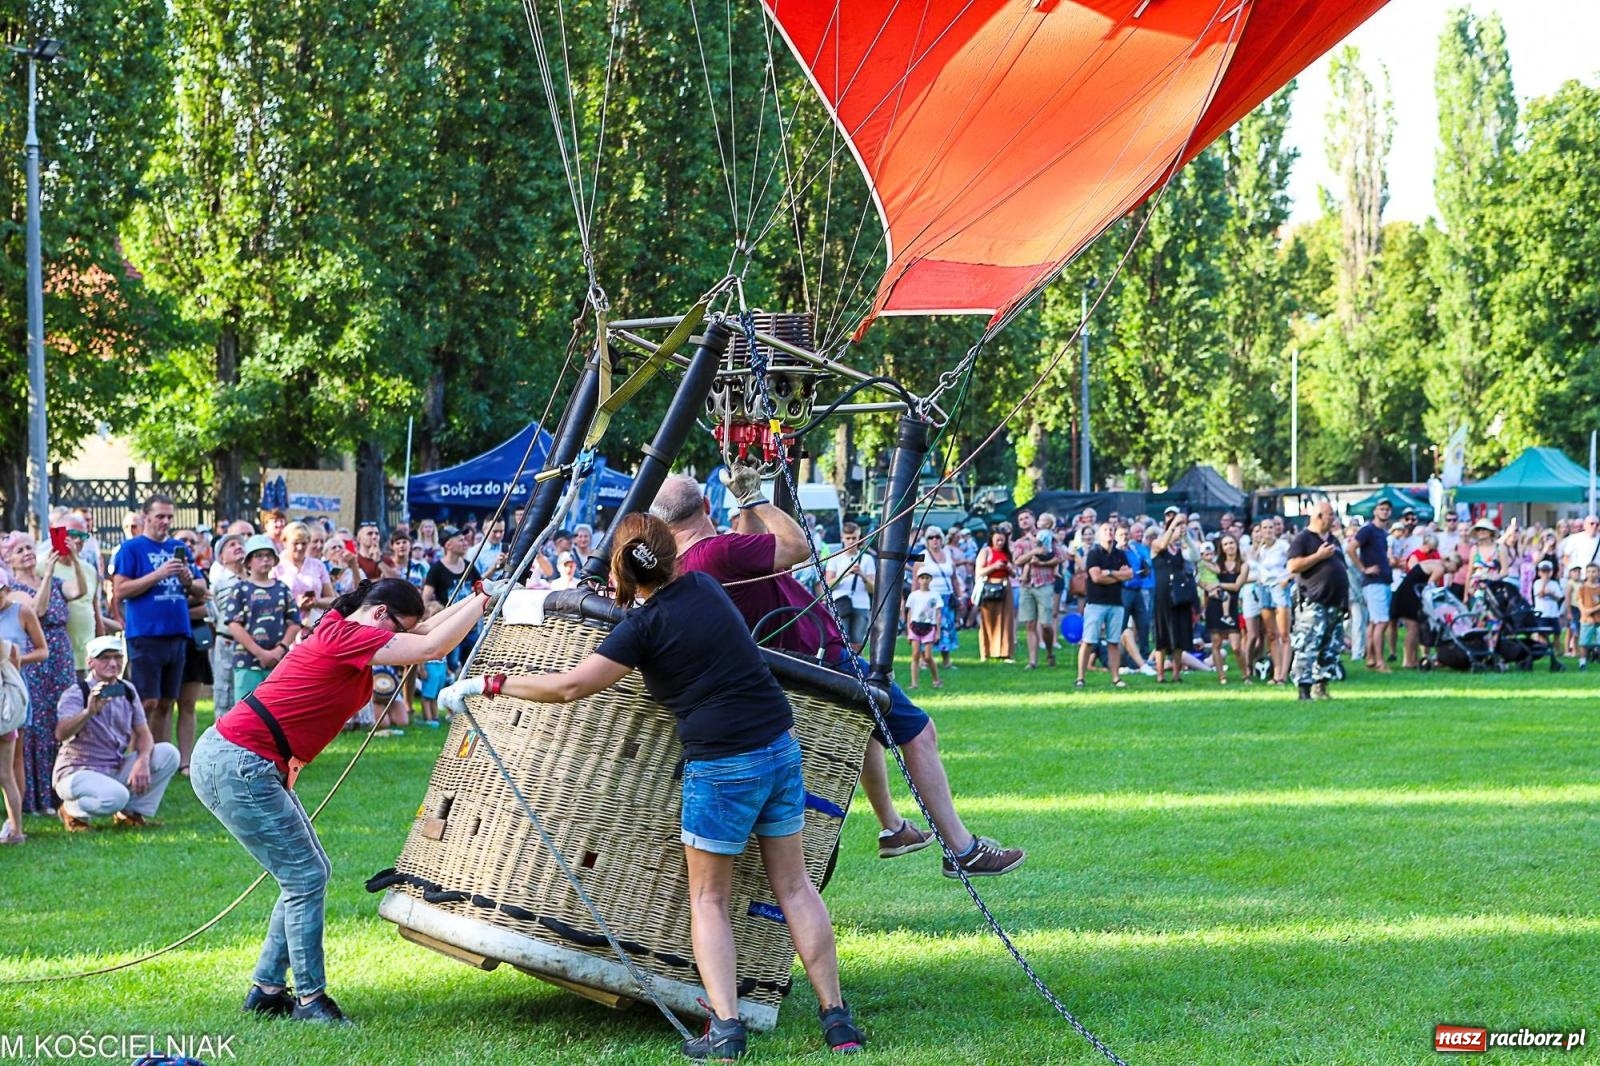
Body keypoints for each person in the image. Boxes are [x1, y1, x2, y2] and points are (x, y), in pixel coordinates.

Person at [438, 516, 865, 1059]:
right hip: (779, 747)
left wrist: (489, 682)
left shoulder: (641, 629)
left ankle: (726, 1030)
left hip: (721, 764)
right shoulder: (704, 586)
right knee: (796, 888)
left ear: (620, 568)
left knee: (709, 898)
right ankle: (837, 1022)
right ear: (671, 555)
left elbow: (570, 686)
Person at [652, 472, 1024, 878]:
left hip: (789, 669)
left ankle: (892, 827)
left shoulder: (687, 566)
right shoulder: (717, 552)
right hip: (820, 658)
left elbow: (753, 552)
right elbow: (797, 547)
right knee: (920, 732)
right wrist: (755, 498)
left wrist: (746, 508)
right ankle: (961, 849)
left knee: (864, 728)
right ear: (707, 506)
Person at [190, 577, 493, 1024]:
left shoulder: (344, 628)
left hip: (243, 760)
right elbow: (433, 647)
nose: (398, 641)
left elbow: (426, 633)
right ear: (379, 614)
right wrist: (485, 600)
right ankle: (309, 1000)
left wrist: (480, 599)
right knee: (304, 876)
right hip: (240, 762)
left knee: (307, 874)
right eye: (397, 630)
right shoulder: (345, 634)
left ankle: (268, 990)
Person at [52, 635, 181, 831]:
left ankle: (130, 813)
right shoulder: (77, 692)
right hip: (77, 771)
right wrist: (88, 712)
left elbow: (143, 733)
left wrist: (142, 761)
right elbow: (61, 734)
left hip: (113, 766)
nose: (113, 663)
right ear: (90, 662)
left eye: (117, 657)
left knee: (168, 753)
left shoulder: (127, 690)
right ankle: (72, 810)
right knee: (117, 797)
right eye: (105, 658)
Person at [111, 495, 196, 756]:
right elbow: (120, 590)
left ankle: (159, 759)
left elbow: (201, 589)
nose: (166, 521)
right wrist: (158, 574)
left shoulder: (178, 547)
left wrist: (188, 580)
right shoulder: (131, 548)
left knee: (166, 702)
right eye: (160, 516)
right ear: (146, 516)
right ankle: (135, 757)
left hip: (177, 632)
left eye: (169, 517)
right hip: (145, 635)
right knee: (146, 701)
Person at [6, 533, 77, 813]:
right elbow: (39, 609)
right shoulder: (12, 590)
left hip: (60, 656)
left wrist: (73, 561)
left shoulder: (57, 581)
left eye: (29, 547)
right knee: (37, 726)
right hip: (34, 663)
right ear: (9, 559)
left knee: (63, 716)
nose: (27, 552)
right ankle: (36, 797)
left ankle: (63, 791)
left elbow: (80, 591)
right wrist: (47, 574)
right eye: (19, 550)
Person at [220, 535, 304, 703]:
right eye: (259, 556)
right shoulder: (240, 589)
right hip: (247, 663)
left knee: (277, 709)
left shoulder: (282, 588)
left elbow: (295, 622)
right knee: (247, 709)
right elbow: (234, 624)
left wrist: (280, 649)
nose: (265, 559)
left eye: (268, 555)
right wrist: (260, 653)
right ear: (248, 562)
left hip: (278, 663)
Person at [1287, 502, 1349, 700]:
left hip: (1335, 603)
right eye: (1330, 515)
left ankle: (1321, 686)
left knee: (1330, 647)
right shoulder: (1303, 539)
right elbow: (1293, 566)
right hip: (1313, 601)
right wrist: (1318, 556)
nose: (1333, 518)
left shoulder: (1333, 540)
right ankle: (1304, 690)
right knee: (1308, 645)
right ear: (1319, 516)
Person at [0, 588, 47, 839]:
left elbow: (40, 651)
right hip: (8, 706)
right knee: (6, 773)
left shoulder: (20, 614)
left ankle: (15, 827)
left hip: (8, 707)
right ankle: (16, 831)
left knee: (10, 769)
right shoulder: (10, 648)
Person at [172, 528, 213, 774]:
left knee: (188, 704)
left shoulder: (198, 573)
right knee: (162, 704)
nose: (187, 544)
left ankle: (185, 761)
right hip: (168, 640)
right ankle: (163, 759)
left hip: (194, 642)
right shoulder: (163, 570)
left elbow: (207, 606)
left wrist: (179, 607)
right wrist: (189, 605)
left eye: (192, 541)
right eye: (182, 540)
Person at [1078, 521, 1130, 689]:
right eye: (1106, 530)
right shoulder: (1094, 554)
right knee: (1088, 641)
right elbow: (1096, 577)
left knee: (1113, 642)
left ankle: (1116, 677)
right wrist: (1118, 576)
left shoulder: (1120, 554)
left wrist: (1109, 573)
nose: (1109, 532)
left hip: (1116, 603)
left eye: (1111, 530)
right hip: (1096, 603)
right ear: (1099, 534)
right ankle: (1080, 677)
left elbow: (1129, 574)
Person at [1150, 509, 1197, 683]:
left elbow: (1195, 556)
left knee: (1179, 634)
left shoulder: (1181, 549)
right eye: (1176, 527)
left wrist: (1186, 538)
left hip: (1179, 595)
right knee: (1162, 634)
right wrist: (1173, 525)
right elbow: (1162, 545)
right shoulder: (1157, 544)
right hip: (1163, 595)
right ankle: (1160, 674)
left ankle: (1177, 673)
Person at [1390, 554, 1457, 669]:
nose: (1455, 571)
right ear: (1451, 563)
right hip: (1409, 596)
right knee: (1413, 629)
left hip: (1404, 593)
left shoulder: (1433, 562)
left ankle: (1413, 659)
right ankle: (1408, 661)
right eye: (1457, 567)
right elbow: (1429, 587)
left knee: (1413, 629)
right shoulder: (1440, 568)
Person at [1015, 512, 1064, 669]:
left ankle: (1049, 652)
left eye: (1026, 518)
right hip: (1027, 585)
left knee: (1045, 625)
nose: (1024, 521)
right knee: (1030, 623)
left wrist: (1043, 564)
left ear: (1034, 520)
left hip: (1044, 583)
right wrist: (1032, 553)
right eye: (1021, 519)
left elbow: (1060, 557)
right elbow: (1017, 561)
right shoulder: (1020, 543)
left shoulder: (1048, 536)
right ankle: (1032, 661)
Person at [1350, 499, 1394, 673]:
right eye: (1381, 509)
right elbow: (1351, 548)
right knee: (1382, 622)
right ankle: (1380, 662)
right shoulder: (1368, 530)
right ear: (1375, 511)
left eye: (1387, 509)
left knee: (1375, 623)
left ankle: (1370, 658)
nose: (1384, 512)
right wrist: (1363, 569)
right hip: (1374, 581)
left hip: (1383, 579)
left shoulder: (1383, 533)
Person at [822, 522, 876, 655]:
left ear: (859, 538)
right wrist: (845, 574)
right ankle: (842, 666)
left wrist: (862, 575)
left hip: (861, 604)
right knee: (841, 640)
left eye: (854, 538)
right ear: (842, 538)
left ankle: (857, 666)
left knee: (858, 642)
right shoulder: (835, 558)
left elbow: (873, 589)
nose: (851, 541)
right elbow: (827, 586)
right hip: (840, 602)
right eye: (848, 538)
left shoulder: (867, 559)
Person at [917, 528, 963, 669]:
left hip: (946, 597)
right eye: (931, 537)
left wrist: (959, 596)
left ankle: (946, 660)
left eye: (937, 537)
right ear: (926, 540)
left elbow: (954, 577)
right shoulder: (921, 555)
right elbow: (915, 577)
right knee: (926, 627)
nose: (935, 540)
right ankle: (924, 659)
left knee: (946, 627)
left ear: (942, 539)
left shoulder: (947, 554)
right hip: (928, 598)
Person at [1205, 534, 1247, 685]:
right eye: (1226, 544)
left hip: (1232, 606)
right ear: (1222, 548)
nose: (1229, 546)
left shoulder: (1243, 565)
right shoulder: (1217, 564)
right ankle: (1221, 676)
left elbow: (1236, 586)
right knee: (1216, 643)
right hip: (1215, 605)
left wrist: (1219, 585)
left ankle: (1245, 674)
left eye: (1231, 543)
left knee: (1236, 646)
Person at [974, 527, 1016, 663]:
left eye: (1002, 540)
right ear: (992, 539)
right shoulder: (986, 552)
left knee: (1006, 619)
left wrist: (1009, 569)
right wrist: (994, 567)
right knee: (987, 620)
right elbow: (979, 572)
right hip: (989, 587)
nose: (1000, 543)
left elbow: (1014, 574)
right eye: (997, 540)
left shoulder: (1007, 553)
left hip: (1005, 586)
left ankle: (1005, 652)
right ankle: (985, 652)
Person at [903, 568, 942, 690]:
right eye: (922, 578)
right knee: (915, 655)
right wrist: (908, 629)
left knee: (928, 656)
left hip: (929, 626)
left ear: (930, 579)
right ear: (918, 579)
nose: (924, 581)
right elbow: (909, 613)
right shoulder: (914, 595)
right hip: (915, 626)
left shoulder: (935, 595)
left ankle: (936, 679)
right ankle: (914, 683)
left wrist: (938, 631)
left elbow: (938, 614)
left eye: (927, 578)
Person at [1577, 563, 1600, 669]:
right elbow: (1580, 602)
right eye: (1589, 572)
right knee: (1584, 642)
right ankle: (1582, 663)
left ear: (1598, 573)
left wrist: (1592, 610)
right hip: (1586, 620)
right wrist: (1585, 612)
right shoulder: (1582, 588)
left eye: (1594, 571)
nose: (1591, 574)